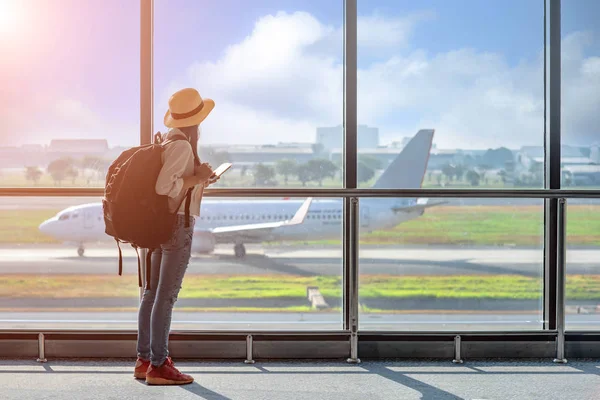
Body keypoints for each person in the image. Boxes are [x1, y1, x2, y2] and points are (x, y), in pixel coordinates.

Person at [134, 88, 216, 385]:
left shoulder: (170, 140)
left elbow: (174, 181)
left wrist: (201, 177)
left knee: (151, 294)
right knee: (165, 298)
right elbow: (163, 187)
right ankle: (159, 365)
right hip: (175, 226)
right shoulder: (181, 145)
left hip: (160, 225)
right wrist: (197, 178)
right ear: (196, 120)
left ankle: (144, 360)